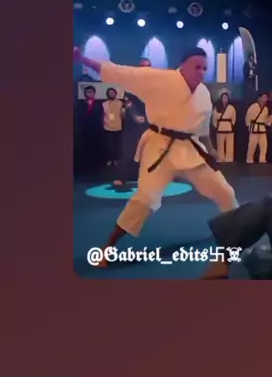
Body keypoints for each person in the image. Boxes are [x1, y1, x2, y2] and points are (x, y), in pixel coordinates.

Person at [73, 46, 238, 267]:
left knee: (225, 192)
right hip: (160, 148)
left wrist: (211, 151)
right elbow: (122, 73)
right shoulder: (160, 79)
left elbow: (203, 129)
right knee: (145, 200)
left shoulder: (203, 93)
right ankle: (108, 248)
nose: (201, 72)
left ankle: (239, 236)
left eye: (204, 68)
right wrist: (82, 59)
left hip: (190, 149)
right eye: (197, 67)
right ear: (183, 65)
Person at [113, 57, 152, 187]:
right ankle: (122, 177)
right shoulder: (132, 83)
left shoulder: (154, 84)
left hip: (149, 122)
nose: (145, 69)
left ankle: (151, 178)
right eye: (143, 66)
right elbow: (128, 102)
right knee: (128, 151)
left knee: (150, 151)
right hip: (132, 124)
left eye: (148, 66)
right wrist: (135, 116)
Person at [75, 84, 104, 175]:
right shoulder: (81, 103)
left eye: (91, 92)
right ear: (85, 93)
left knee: (96, 147)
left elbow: (102, 115)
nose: (89, 93)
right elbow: (78, 116)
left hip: (96, 128)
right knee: (85, 147)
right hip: (84, 129)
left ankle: (96, 166)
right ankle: (86, 165)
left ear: (94, 93)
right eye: (88, 92)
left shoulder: (99, 103)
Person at [102, 87, 124, 168]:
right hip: (107, 127)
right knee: (109, 146)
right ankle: (109, 159)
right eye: (109, 93)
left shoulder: (121, 103)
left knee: (117, 146)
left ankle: (115, 160)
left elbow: (123, 115)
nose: (111, 94)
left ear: (116, 94)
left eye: (113, 92)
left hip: (118, 127)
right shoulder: (103, 104)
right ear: (107, 94)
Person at [245, 92, 269, 163]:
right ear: (259, 98)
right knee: (252, 145)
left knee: (264, 145)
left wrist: (269, 123)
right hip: (254, 128)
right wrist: (249, 126)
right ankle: (249, 159)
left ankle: (262, 159)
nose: (265, 99)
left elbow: (265, 119)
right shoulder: (253, 107)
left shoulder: (266, 109)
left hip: (262, 128)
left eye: (266, 98)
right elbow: (248, 117)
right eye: (263, 97)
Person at [212, 92, 236, 162]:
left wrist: (232, 125)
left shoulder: (231, 108)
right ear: (221, 98)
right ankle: (220, 158)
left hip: (229, 128)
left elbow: (234, 117)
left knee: (230, 145)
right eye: (224, 98)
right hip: (220, 127)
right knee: (220, 145)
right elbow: (214, 117)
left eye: (226, 98)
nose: (225, 99)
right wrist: (215, 125)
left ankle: (229, 159)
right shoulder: (217, 107)